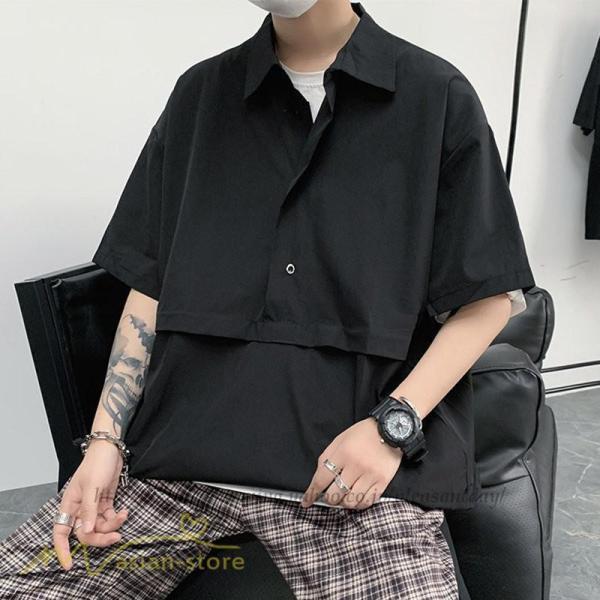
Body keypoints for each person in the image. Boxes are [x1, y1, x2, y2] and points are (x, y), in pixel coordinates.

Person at [0, 1, 536, 598]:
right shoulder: (201, 95)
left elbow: (487, 299)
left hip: (352, 487)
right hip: (176, 475)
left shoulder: (435, 96)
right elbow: (149, 284)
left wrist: (391, 428)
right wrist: (103, 444)